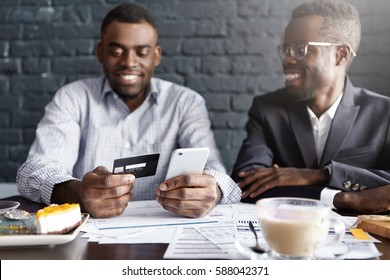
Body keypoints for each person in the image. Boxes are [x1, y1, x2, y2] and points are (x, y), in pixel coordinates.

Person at [17, 3, 241, 218]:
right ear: (101, 52)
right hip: (89, 234)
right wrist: (77, 194)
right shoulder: (72, 98)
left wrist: (213, 189)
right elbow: (34, 171)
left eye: (142, 53)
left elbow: (217, 171)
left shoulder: (185, 103)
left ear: (156, 56)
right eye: (116, 51)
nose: (129, 62)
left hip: (162, 231)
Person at [232, 0, 390, 214]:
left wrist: (317, 175)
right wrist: (343, 199)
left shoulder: (384, 112)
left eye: (300, 49)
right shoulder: (267, 110)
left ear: (340, 54)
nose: (287, 60)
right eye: (286, 49)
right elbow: (247, 187)